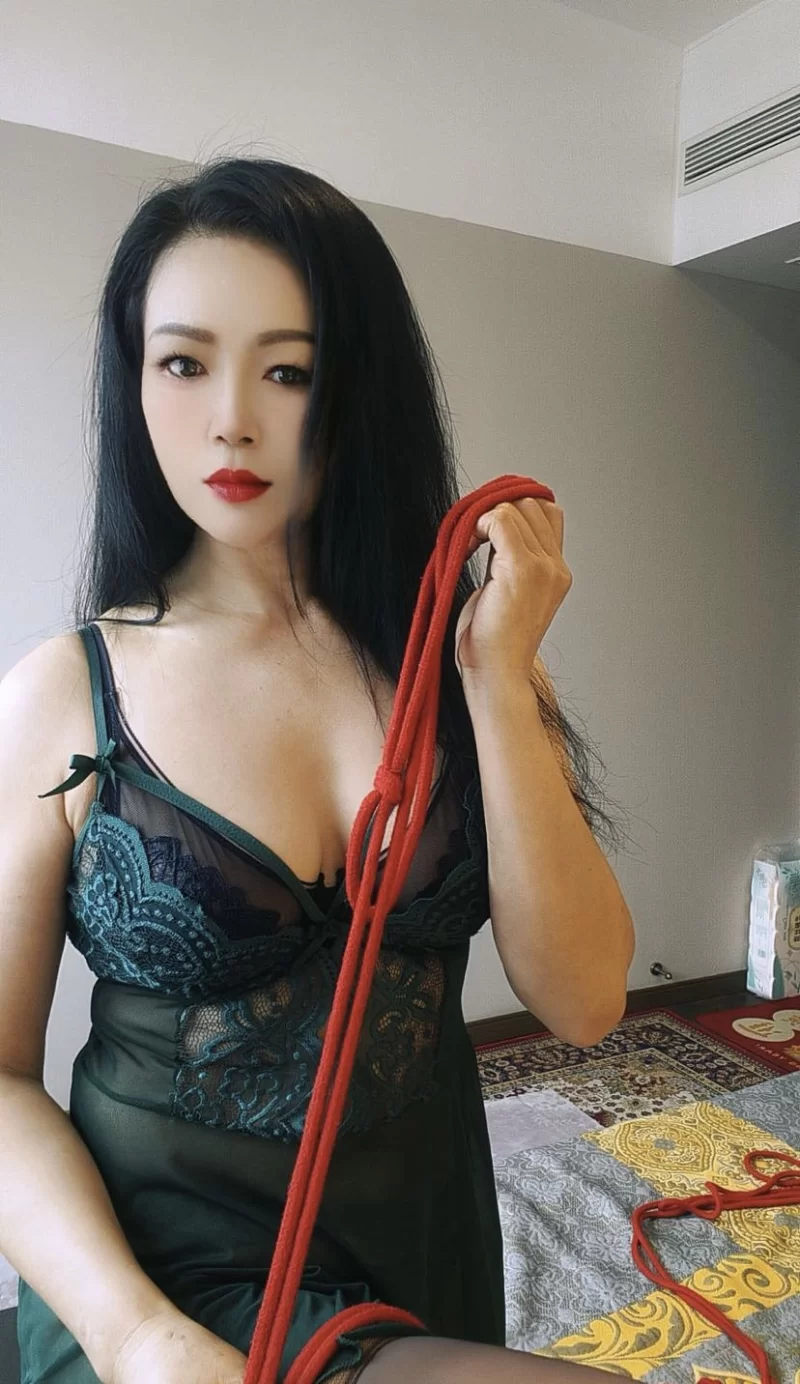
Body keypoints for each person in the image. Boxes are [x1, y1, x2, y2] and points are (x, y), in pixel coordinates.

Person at [0, 156, 635, 1384]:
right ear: (133, 380)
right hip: (165, 1295)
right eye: (183, 363)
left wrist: (495, 677)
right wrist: (133, 1336)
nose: (230, 418)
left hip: (424, 1247)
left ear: (355, 388)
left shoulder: (464, 655)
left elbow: (584, 1002)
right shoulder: (61, 694)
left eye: (285, 370)